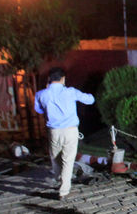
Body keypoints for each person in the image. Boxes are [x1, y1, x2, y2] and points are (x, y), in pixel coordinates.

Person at [34, 67, 95, 200]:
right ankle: (64, 191)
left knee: (55, 157)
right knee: (68, 160)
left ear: (49, 79)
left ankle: (59, 179)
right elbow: (90, 100)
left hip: (53, 131)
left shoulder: (41, 94)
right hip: (70, 131)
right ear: (63, 79)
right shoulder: (70, 92)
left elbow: (38, 110)